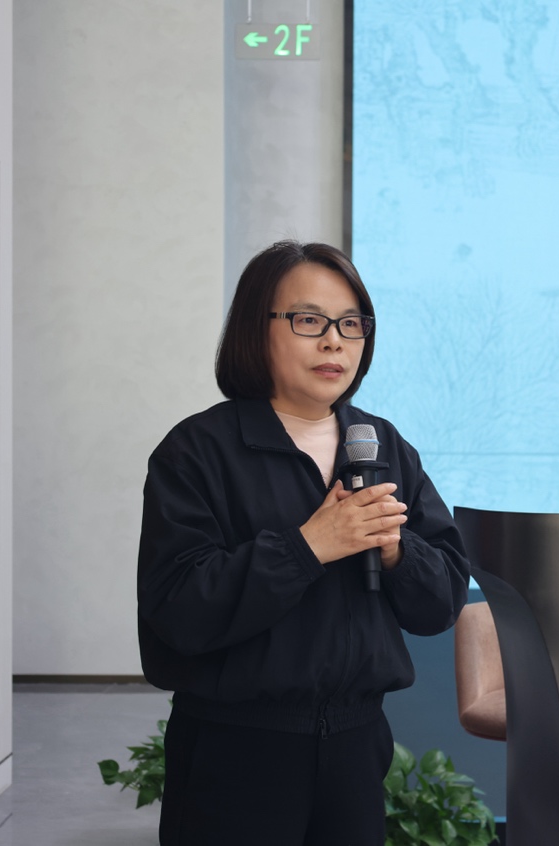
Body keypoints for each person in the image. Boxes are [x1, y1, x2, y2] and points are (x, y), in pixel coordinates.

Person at [137, 240, 470, 845]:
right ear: (255, 329)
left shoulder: (383, 445)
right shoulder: (198, 451)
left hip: (356, 744)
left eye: (351, 324)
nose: (334, 342)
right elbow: (178, 609)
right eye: (309, 320)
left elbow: (442, 600)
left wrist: (397, 551)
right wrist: (308, 547)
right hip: (236, 749)